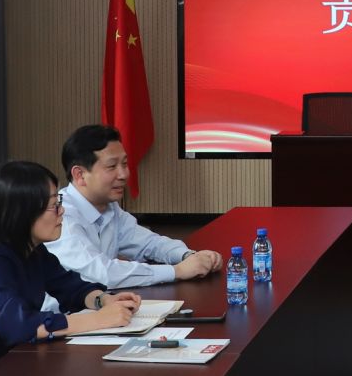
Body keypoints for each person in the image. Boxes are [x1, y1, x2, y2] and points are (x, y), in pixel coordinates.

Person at [0, 160, 145, 376]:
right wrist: (97, 320)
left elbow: (68, 286)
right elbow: (18, 325)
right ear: (23, 212)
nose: (62, 211)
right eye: (54, 205)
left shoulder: (29, 248)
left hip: (0, 361)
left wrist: (103, 300)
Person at [46, 125, 222, 300]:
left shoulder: (109, 207)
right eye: (112, 166)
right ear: (80, 175)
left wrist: (188, 256)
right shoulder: (61, 215)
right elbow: (101, 274)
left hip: (100, 306)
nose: (124, 174)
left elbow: (149, 243)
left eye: (124, 164)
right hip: (62, 314)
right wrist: (177, 271)